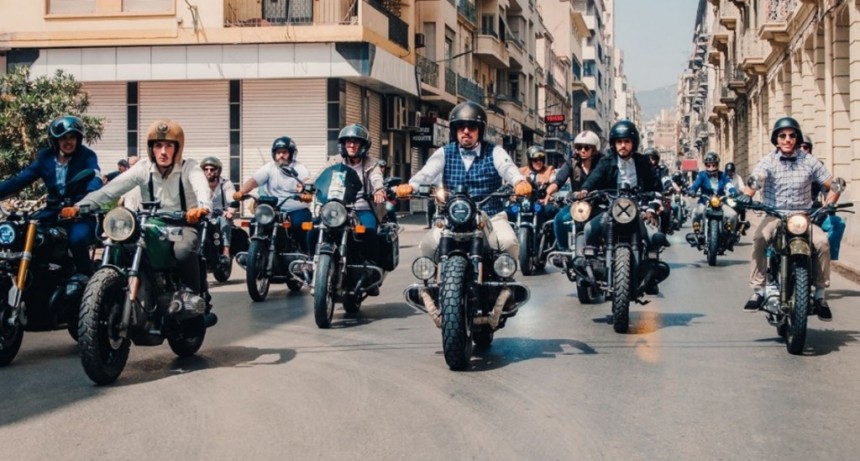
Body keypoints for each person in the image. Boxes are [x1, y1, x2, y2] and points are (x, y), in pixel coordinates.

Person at [62, 120, 212, 297]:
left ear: (177, 148)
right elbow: (110, 190)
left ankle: (190, 296)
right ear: (151, 148)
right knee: (119, 245)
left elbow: (202, 188)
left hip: (183, 224)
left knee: (183, 250)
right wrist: (78, 207)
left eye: (169, 146)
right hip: (149, 224)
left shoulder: (190, 167)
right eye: (158, 145)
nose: (163, 152)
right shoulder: (143, 168)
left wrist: (202, 208)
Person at [395, 101, 532, 259]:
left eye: (471, 127)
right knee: (427, 246)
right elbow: (426, 173)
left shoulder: (495, 152)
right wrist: (412, 185)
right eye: (461, 127)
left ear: (480, 131)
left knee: (509, 243)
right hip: (452, 216)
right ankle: (435, 280)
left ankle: (504, 280)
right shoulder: (444, 152)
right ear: (455, 130)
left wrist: (519, 181)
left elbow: (508, 168)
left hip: (491, 215)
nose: (466, 131)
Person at [736, 116, 840, 320]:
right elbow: (757, 178)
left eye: (792, 136)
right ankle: (759, 289)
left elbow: (834, 183)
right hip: (775, 214)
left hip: (803, 216)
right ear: (776, 139)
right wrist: (747, 194)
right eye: (782, 136)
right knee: (759, 239)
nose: (787, 139)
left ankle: (819, 294)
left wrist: (830, 201)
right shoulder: (768, 160)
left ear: (797, 139)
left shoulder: (808, 160)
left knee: (823, 242)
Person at [0, 115, 103, 276]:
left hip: (80, 213)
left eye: (72, 137)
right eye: (63, 138)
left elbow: (95, 175)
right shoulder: (45, 158)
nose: (68, 141)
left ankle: (85, 279)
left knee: (76, 239)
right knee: (27, 235)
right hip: (52, 213)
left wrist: (91, 194)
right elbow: (20, 180)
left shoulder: (87, 156)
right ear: (55, 140)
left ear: (78, 139)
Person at [573, 120, 668, 292]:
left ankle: (651, 274)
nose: (622, 146)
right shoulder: (606, 161)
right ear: (613, 143)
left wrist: (651, 209)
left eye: (626, 141)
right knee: (588, 229)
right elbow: (594, 178)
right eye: (619, 142)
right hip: (611, 207)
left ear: (634, 143)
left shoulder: (643, 162)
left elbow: (656, 189)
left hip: (639, 208)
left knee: (655, 235)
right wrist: (585, 190)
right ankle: (589, 266)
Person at [310, 124, 386, 263]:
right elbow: (320, 175)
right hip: (336, 207)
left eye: (355, 142)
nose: (351, 145)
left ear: (363, 145)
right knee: (313, 230)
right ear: (343, 144)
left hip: (361, 207)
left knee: (369, 231)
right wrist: (307, 185)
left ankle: (370, 267)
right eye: (348, 141)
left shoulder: (372, 163)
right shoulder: (334, 160)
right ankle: (311, 263)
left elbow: (376, 177)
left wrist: (378, 189)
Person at [233, 136, 312, 251]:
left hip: (296, 208)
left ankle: (305, 256)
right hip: (274, 208)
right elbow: (254, 181)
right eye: (278, 152)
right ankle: (256, 251)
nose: (281, 155)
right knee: (255, 222)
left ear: (291, 153)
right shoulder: (269, 167)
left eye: (284, 152)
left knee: (299, 225)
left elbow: (306, 182)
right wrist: (241, 191)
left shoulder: (300, 168)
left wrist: (306, 195)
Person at [544, 130, 602, 257]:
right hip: (578, 204)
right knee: (560, 219)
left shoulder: (601, 163)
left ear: (594, 149)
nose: (582, 151)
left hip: (598, 204)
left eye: (586, 147)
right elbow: (559, 179)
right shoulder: (572, 163)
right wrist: (549, 191)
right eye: (579, 147)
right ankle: (563, 251)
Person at [799, 135, 846, 261]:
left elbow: (830, 187)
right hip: (789, 212)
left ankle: (827, 257)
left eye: (806, 147)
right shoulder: (785, 165)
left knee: (838, 224)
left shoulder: (817, 167)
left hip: (812, 212)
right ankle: (771, 264)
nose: (803, 149)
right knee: (769, 233)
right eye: (800, 147)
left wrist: (829, 203)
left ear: (810, 149)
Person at [685, 152, 739, 245]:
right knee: (695, 213)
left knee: (733, 215)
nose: (711, 167)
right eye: (708, 165)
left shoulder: (723, 175)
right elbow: (695, 185)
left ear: (717, 164)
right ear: (705, 165)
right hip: (705, 201)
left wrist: (733, 191)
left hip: (720, 201)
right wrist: (692, 191)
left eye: (714, 164)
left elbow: (729, 185)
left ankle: (729, 234)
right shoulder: (702, 175)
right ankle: (697, 233)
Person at [200, 156, 237, 258]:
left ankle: (226, 250)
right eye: (206, 169)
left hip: (220, 216)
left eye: (212, 169)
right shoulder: (198, 185)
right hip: (203, 215)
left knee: (224, 220)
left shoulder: (225, 184)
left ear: (218, 171)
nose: (209, 172)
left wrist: (230, 211)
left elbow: (232, 197)